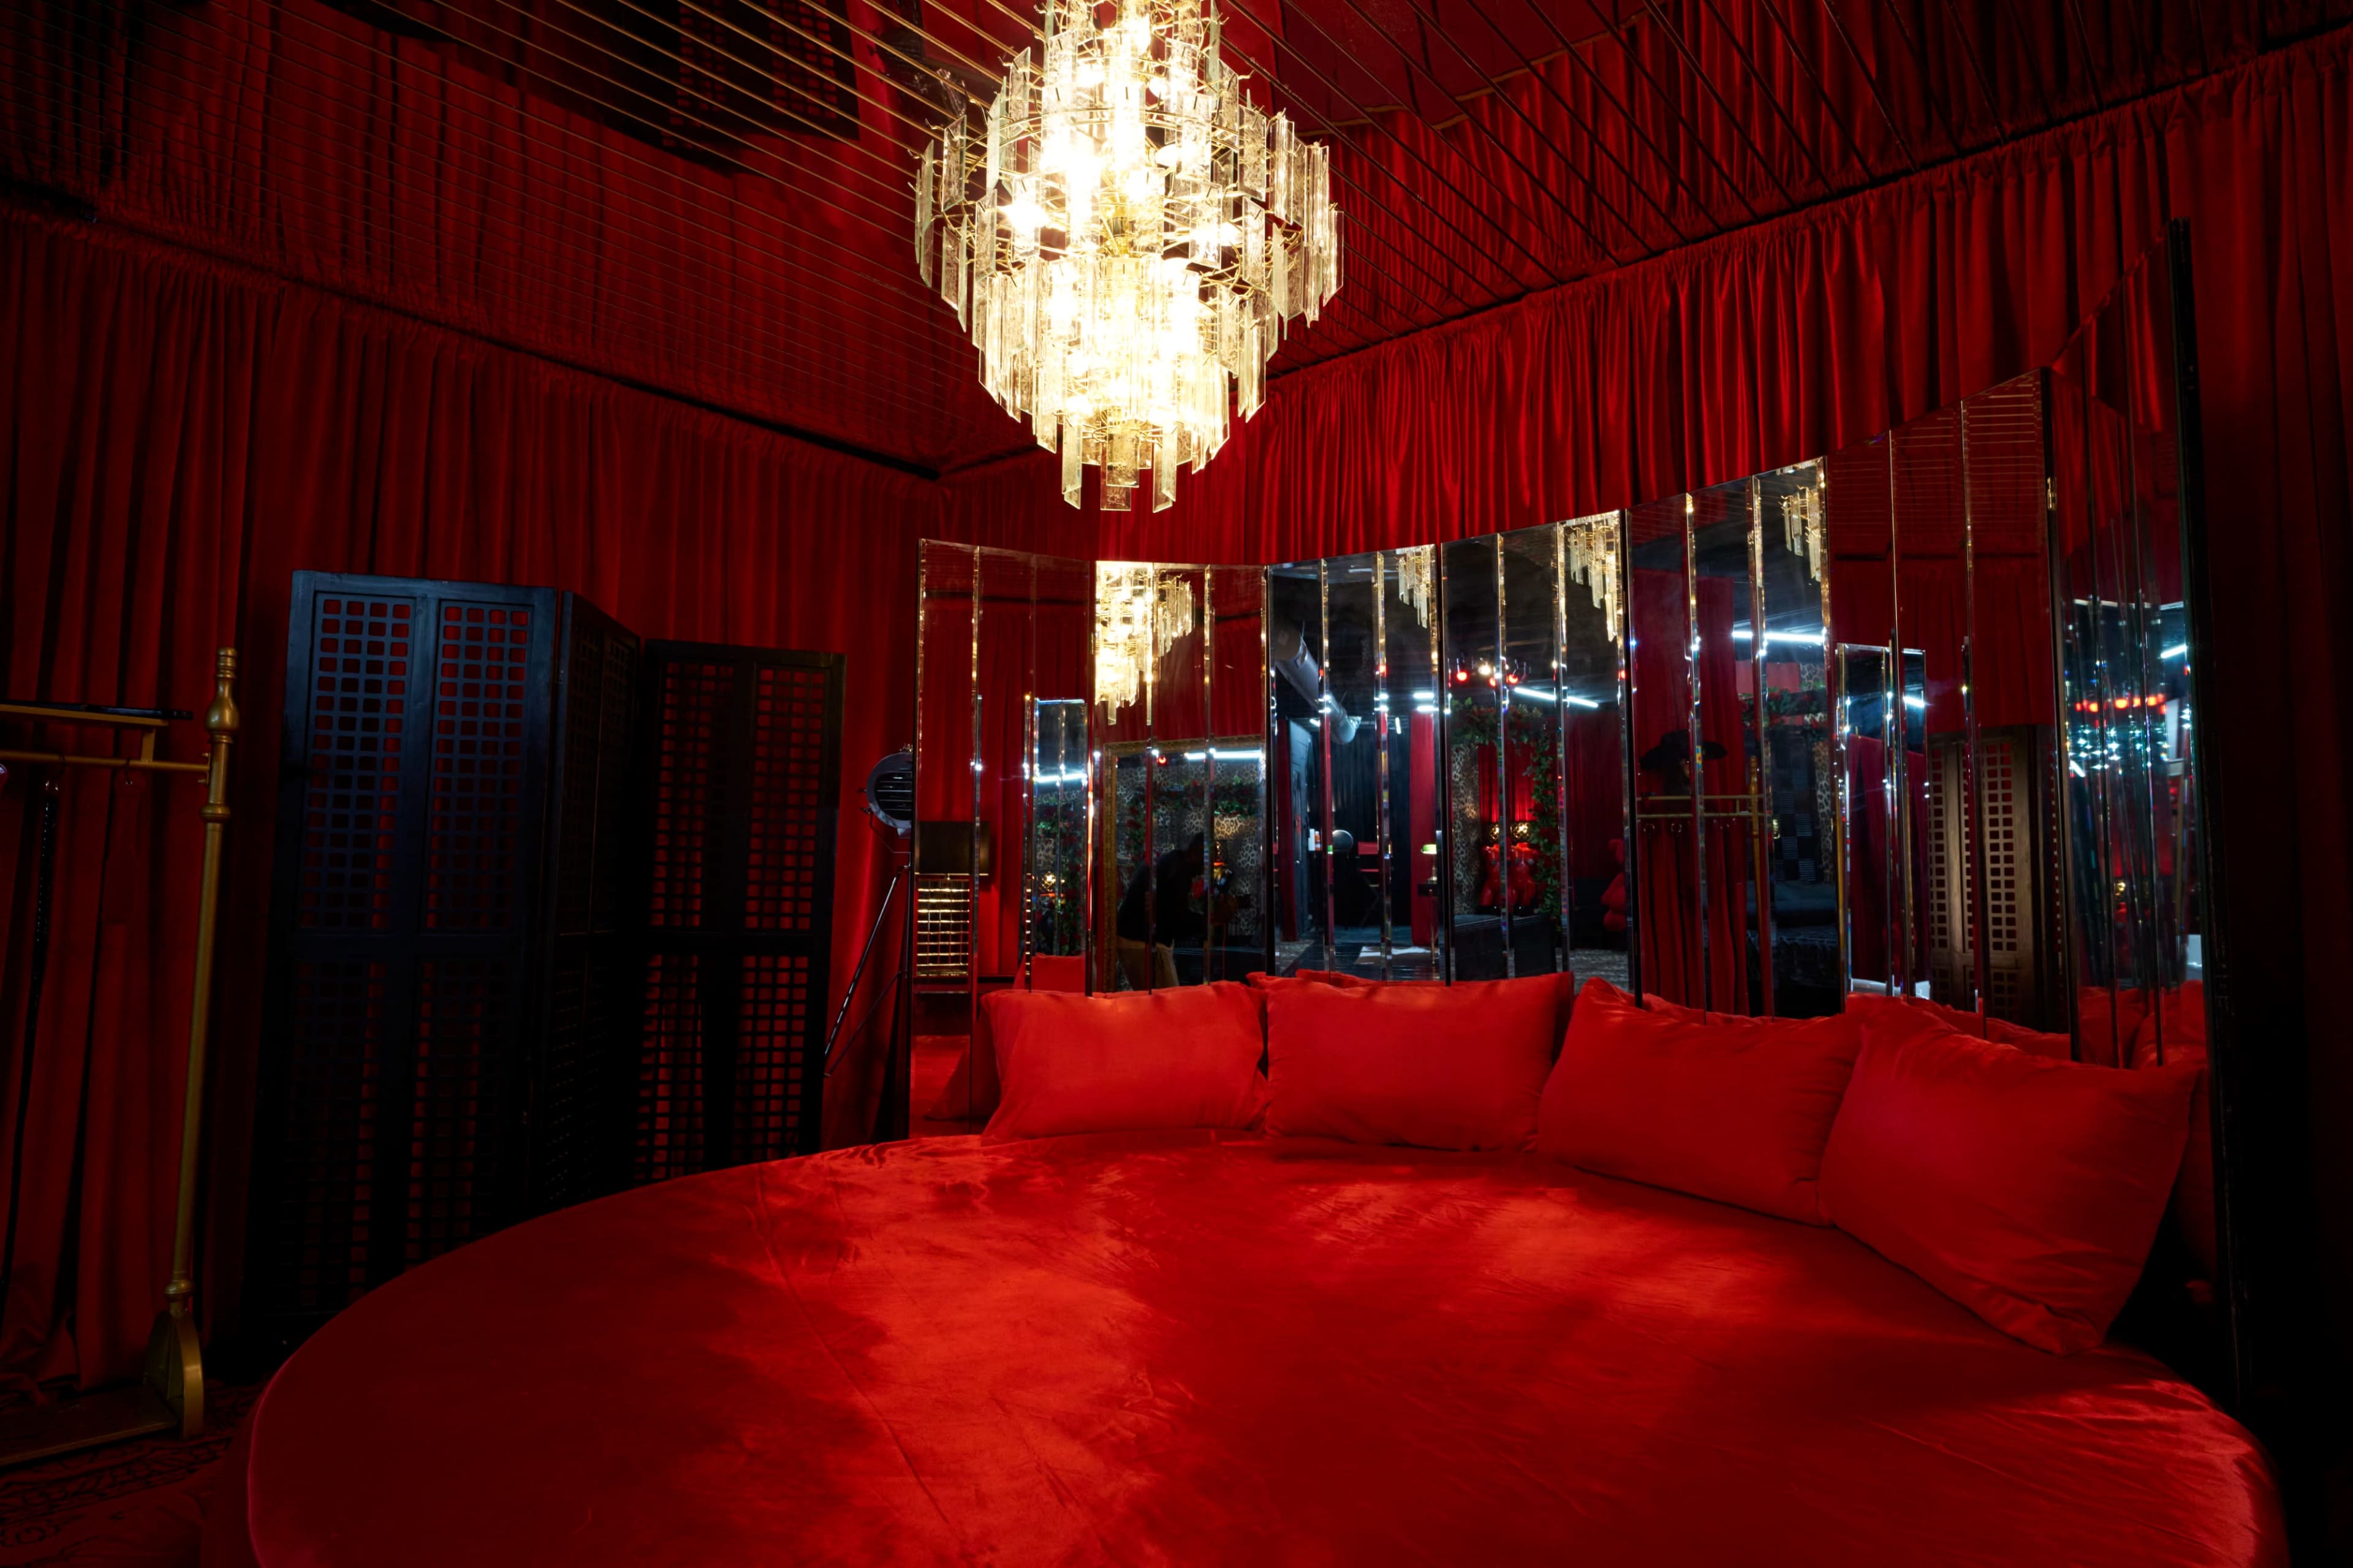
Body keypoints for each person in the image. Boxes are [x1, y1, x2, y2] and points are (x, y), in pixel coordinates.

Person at [1115, 834, 1206, 990]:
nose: (1204, 869)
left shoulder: (1172, 863)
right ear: (1197, 853)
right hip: (1142, 941)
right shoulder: (1178, 871)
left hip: (1137, 938)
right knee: (1167, 1000)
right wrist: (1207, 920)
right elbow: (1176, 920)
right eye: (1206, 861)